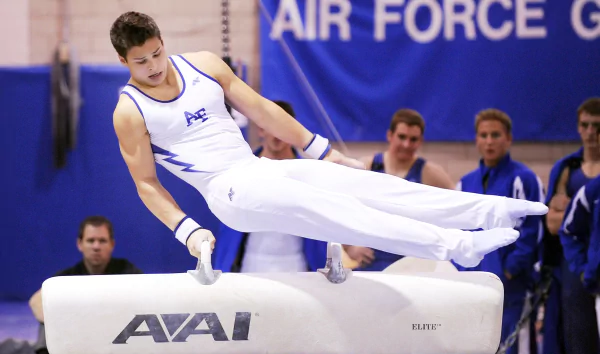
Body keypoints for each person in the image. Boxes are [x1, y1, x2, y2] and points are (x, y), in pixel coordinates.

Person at [109, 11, 547, 271]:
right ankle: (456, 247)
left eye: (156, 54)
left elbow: (262, 109)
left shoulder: (203, 64)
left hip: (259, 170)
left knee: (368, 185)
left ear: (164, 42)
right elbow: (146, 183)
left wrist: (322, 150)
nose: (153, 67)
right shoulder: (130, 112)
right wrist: (187, 231)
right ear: (124, 62)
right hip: (227, 192)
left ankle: (488, 210)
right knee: (339, 211)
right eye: (140, 62)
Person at [213, 100, 327, 354]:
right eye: (269, 128)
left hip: (298, 266)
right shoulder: (240, 169)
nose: (276, 136)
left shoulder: (309, 174)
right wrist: (221, 267)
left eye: (282, 129)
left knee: (298, 344)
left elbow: (323, 222)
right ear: (260, 130)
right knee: (254, 344)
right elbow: (225, 221)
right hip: (253, 266)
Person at [347, 108, 454, 354]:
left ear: (421, 141)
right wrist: (349, 246)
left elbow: (458, 213)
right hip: (373, 266)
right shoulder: (367, 166)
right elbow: (338, 210)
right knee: (366, 342)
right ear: (389, 135)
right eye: (402, 137)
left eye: (413, 139)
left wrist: (436, 248)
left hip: (413, 270)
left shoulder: (430, 173)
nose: (407, 145)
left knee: (415, 344)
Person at [455, 109, 543, 354]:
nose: (489, 141)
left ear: (509, 139)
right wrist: (466, 274)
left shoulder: (524, 179)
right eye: (484, 135)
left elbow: (532, 232)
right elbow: (456, 233)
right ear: (476, 140)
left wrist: (509, 270)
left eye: (496, 135)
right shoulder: (465, 183)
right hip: (477, 292)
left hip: (513, 289)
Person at [26, 216, 143, 354]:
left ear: (112, 245)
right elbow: (36, 301)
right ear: (80, 244)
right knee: (50, 307)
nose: (96, 246)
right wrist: (69, 321)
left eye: (102, 241)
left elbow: (144, 301)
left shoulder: (127, 272)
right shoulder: (68, 277)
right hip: (75, 340)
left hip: (112, 345)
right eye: (90, 240)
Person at [542, 98, 600, 354]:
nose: (590, 132)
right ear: (578, 128)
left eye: (597, 126)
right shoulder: (567, 169)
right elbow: (552, 223)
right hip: (574, 266)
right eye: (585, 125)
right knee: (579, 340)